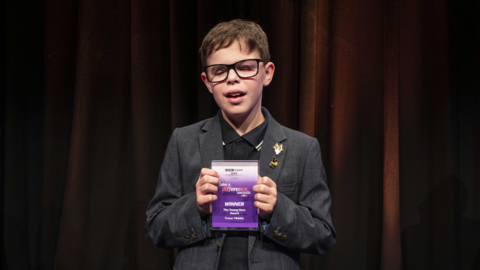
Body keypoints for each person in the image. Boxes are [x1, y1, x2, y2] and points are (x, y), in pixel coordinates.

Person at [145, 19, 336, 270]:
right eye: (219, 71)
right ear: (207, 81)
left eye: (245, 67)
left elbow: (323, 235)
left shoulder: (302, 148)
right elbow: (156, 227)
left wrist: (278, 210)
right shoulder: (184, 141)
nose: (232, 79)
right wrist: (196, 206)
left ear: (267, 73)